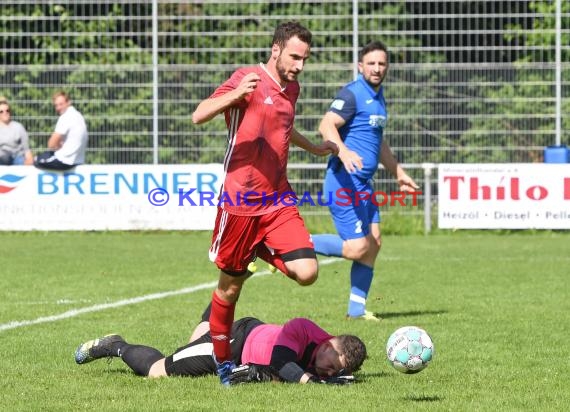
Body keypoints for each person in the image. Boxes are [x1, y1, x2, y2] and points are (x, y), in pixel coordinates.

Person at [191, 21, 338, 385]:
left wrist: (314, 148)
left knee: (307, 272)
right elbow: (198, 114)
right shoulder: (247, 78)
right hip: (240, 202)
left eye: (305, 59)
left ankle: (260, 250)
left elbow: (284, 126)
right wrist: (235, 94)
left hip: (278, 199)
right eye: (294, 57)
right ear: (275, 49)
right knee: (229, 288)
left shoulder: (293, 88)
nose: (300, 65)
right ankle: (224, 364)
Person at [311, 41, 419, 321]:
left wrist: (398, 172)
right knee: (358, 247)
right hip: (342, 182)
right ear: (360, 66)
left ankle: (356, 311)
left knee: (374, 243)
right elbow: (326, 124)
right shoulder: (352, 94)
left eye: (382, 64)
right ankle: (293, 243)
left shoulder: (378, 96)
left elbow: (378, 141)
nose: (377, 68)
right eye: (371, 63)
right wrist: (343, 151)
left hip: (364, 185)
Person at [74, 304, 367, 385]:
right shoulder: (303, 328)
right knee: (158, 369)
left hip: (244, 340)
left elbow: (338, 373)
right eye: (331, 366)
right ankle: (115, 345)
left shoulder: (330, 355)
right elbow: (280, 363)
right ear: (329, 345)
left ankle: (216, 308)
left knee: (190, 344)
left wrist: (337, 377)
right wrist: (311, 381)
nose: (328, 373)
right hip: (232, 345)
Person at [34, 91, 88, 170]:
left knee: (33, 160)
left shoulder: (65, 116)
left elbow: (51, 144)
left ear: (68, 102)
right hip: (78, 160)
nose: (58, 108)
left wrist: (58, 146)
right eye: (56, 105)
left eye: (61, 104)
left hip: (65, 161)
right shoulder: (78, 115)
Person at [0, 98, 33, 165]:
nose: (5, 113)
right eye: (1, 111)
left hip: (17, 158)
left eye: (7, 110)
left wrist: (30, 161)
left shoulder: (18, 127)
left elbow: (26, 149)